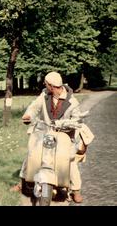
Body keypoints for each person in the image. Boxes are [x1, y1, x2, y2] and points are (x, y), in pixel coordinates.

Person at [11, 72, 94, 204]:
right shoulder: (44, 95)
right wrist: (29, 115)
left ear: (51, 85)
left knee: (70, 161)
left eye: (46, 83)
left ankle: (76, 190)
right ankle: (23, 182)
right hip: (45, 132)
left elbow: (77, 118)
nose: (44, 85)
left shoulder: (72, 101)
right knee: (32, 153)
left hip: (65, 135)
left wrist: (69, 123)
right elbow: (34, 107)